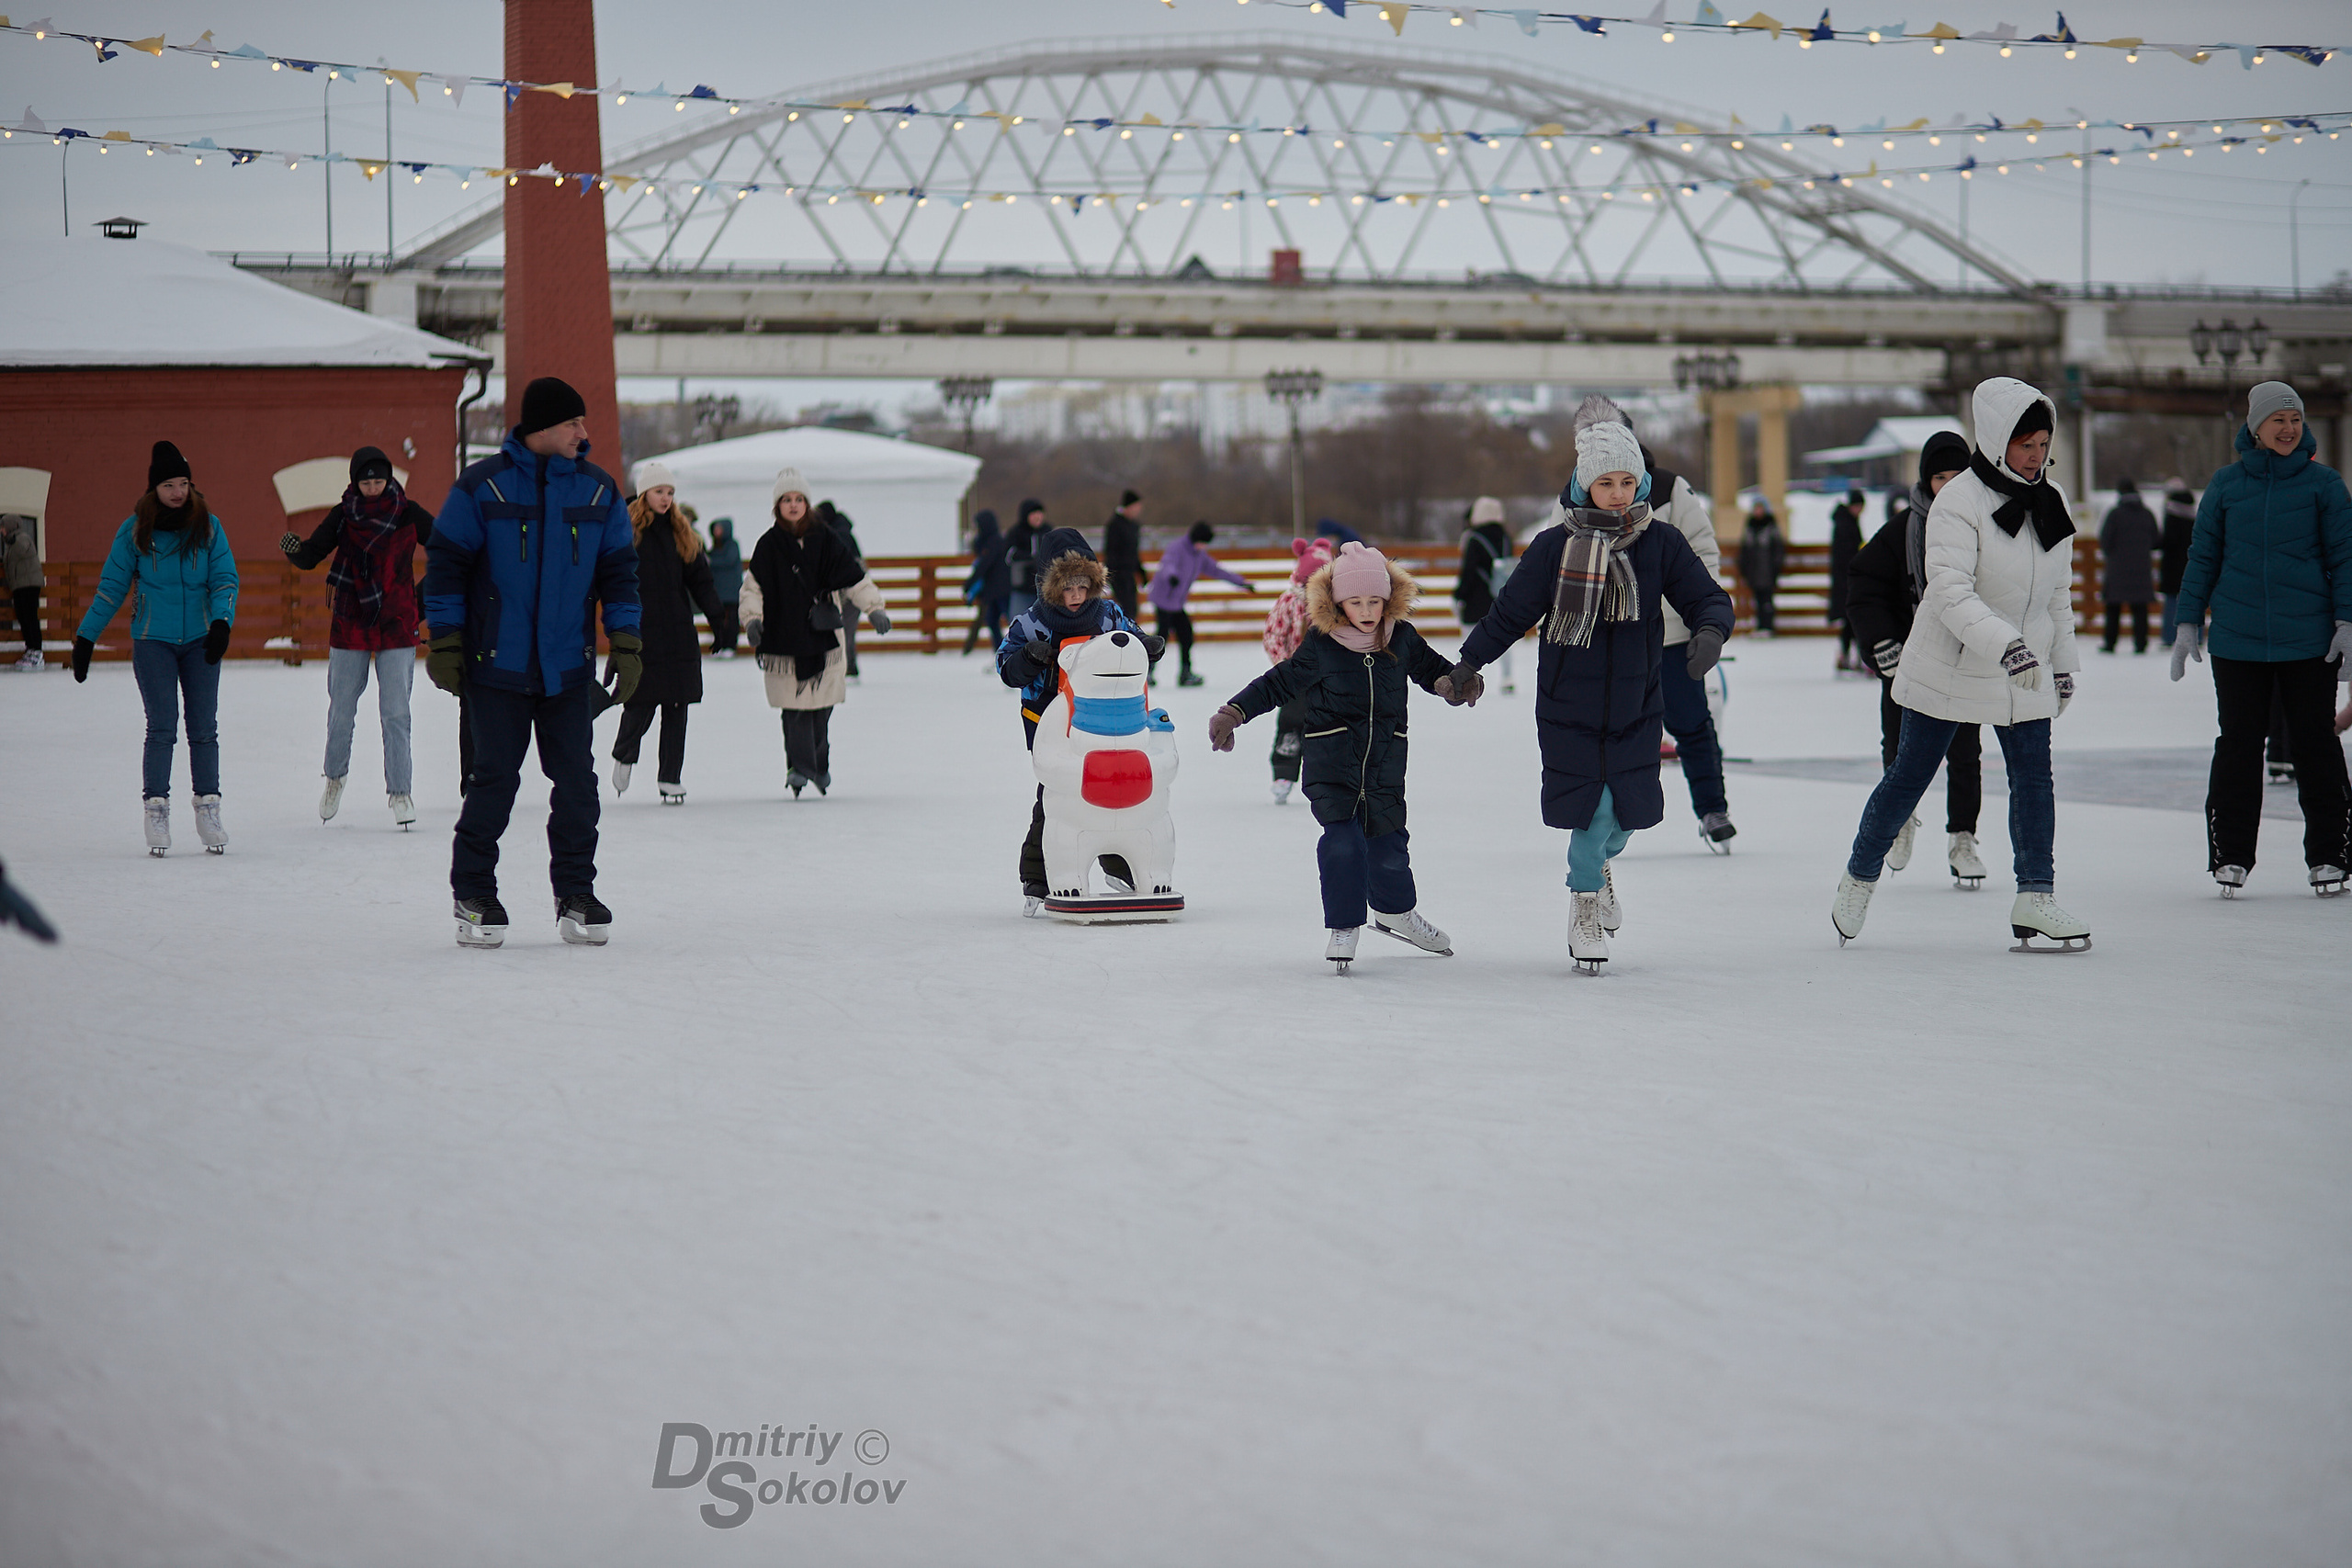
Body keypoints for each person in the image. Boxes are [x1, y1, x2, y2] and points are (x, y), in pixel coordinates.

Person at [1447, 419, 1736, 972]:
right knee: (1592, 811)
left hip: (1636, 703)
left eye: (1629, 483)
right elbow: (1511, 611)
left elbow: (1705, 595)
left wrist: (1709, 632)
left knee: (1625, 818)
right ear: (1584, 485)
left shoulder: (1661, 543)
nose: (1619, 494)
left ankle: (1599, 867)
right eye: (1607, 483)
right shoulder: (1555, 546)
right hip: (1567, 703)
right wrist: (1470, 661)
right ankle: (1583, 904)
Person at [1831, 377, 2089, 952]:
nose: (2036, 456)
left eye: (2044, 444)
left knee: (2033, 777)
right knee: (1910, 777)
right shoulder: (1958, 501)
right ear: (1999, 441)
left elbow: (2056, 595)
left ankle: (2036, 895)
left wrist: (2063, 663)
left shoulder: (2053, 499)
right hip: (1950, 664)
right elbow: (1949, 591)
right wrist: (2007, 645)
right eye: (2026, 444)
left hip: (2022, 665)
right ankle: (1860, 873)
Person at [423, 377, 641, 949]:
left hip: (567, 668)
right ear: (543, 427)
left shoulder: (598, 493)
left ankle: (576, 894)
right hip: (497, 667)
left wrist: (627, 642)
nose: (584, 434)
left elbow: (619, 572)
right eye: (574, 424)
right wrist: (444, 641)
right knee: (493, 781)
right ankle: (473, 893)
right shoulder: (483, 487)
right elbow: (444, 564)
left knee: (576, 785)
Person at [1210, 542, 1467, 968]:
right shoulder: (1322, 644)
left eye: (1374, 601)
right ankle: (1345, 925)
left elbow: (1431, 668)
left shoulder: (1399, 637)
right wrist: (1234, 711)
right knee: (1343, 844)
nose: (1366, 610)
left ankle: (1396, 912)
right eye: (1355, 601)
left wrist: (1453, 684)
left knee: (1389, 844)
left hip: (1384, 764)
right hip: (1332, 765)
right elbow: (1278, 682)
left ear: (1388, 599)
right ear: (1337, 602)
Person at [2169, 379, 2352, 897]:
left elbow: (2345, 559)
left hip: (2307, 639)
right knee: (2239, 747)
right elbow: (2202, 557)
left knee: (2316, 745)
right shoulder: (2227, 486)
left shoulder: (2325, 486)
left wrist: (2347, 623)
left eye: (2295, 420)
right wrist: (2187, 621)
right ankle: (2230, 855)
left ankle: (2331, 855)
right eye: (2278, 420)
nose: (2289, 429)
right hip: (2239, 640)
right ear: (2256, 426)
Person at [1576, 398, 1738, 849]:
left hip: (1670, 636)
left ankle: (1711, 808)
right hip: (1607, 640)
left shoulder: (1669, 488)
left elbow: (1702, 552)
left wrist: (1699, 616)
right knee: (1610, 733)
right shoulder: (1576, 494)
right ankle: (1607, 818)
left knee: (1691, 723)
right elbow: (1553, 566)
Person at [70, 440, 240, 855]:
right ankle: (157, 809)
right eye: (169, 485)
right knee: (162, 726)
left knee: (204, 729)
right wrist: (86, 637)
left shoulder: (209, 526)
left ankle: (208, 807)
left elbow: (224, 579)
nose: (178, 492)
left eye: (183, 483)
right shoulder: (135, 531)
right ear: (154, 489)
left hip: (201, 640)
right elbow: (111, 588)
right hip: (153, 642)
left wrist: (221, 622)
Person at [1842, 429, 1988, 888]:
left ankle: (1963, 838)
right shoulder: (1902, 530)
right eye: (1939, 476)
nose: (1948, 484)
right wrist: (1881, 641)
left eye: (1957, 474)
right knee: (1901, 749)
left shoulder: (1989, 525)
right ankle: (1899, 821)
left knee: (1966, 753)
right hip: (1908, 661)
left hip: (1966, 660)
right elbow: (1864, 588)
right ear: (1926, 481)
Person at [997, 530, 1155, 911]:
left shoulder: (1109, 615)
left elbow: (1132, 644)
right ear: (1050, 586)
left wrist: (1150, 648)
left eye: (1083, 586)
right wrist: (1028, 659)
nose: (1076, 596)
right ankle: (1038, 877)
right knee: (1058, 795)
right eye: (1067, 588)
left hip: (1105, 720)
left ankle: (1119, 863)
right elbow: (1005, 668)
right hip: (1050, 723)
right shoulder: (1031, 623)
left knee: (1112, 787)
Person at [280, 446, 435, 829]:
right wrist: (296, 551)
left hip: (397, 622)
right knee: (341, 710)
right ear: (354, 482)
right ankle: (334, 778)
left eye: (378, 480)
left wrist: (421, 600)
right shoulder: (343, 516)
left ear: (388, 480)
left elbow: (450, 550)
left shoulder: (408, 513)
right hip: (351, 620)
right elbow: (313, 553)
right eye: (365, 481)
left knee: (396, 713)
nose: (371, 487)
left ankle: (400, 792)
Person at [741, 468, 890, 798]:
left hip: (822, 634)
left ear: (807, 504)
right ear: (777, 506)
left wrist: (874, 607)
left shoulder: (826, 539)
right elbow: (753, 587)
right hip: (782, 637)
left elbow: (854, 578)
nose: (793, 505)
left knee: (821, 708)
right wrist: (752, 619)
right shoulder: (768, 545)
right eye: (786, 500)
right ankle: (799, 768)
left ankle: (818, 766)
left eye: (799, 499)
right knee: (793, 709)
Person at [606, 462, 724, 805]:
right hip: (641, 632)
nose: (666, 498)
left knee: (677, 705)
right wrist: (618, 636)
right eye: (660, 491)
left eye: (670, 493)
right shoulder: (625, 532)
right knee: (640, 703)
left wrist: (718, 618)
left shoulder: (681, 533)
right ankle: (624, 755)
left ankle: (670, 777)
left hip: (677, 631)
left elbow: (701, 580)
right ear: (645, 493)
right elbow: (613, 585)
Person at [1260, 536, 1335, 803]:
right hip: (1297, 676)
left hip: (1330, 677)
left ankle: (1332, 777)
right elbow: (1272, 635)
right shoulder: (1290, 602)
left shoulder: (1338, 601)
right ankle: (1284, 772)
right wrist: (1285, 668)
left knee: (1332, 725)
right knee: (1291, 723)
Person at [1147, 520, 1258, 686]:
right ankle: (1147, 673)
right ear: (1195, 539)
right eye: (1202, 543)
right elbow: (1168, 565)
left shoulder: (1199, 555)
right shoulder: (1177, 548)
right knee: (1161, 636)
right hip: (1163, 599)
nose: (1203, 546)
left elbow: (1217, 570)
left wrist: (1241, 582)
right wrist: (1172, 576)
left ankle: (1185, 673)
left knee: (1186, 635)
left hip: (1176, 602)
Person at [1453, 496, 1517, 695]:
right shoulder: (1506, 538)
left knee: (1471, 637)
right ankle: (1507, 677)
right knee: (1502, 636)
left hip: (1476, 599)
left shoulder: (1473, 538)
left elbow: (1469, 571)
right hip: (1500, 596)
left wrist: (1459, 595)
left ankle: (1467, 677)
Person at [2098, 477, 2162, 654]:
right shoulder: (2147, 513)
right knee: (2140, 608)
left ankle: (2110, 643)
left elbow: (2105, 541)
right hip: (2142, 569)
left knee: (2113, 607)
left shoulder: (2115, 514)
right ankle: (2141, 644)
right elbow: (2156, 541)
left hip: (2117, 570)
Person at [819, 501, 865, 680]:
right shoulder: (839, 531)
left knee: (843, 628)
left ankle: (847, 666)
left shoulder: (838, 534)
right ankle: (848, 666)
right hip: (851, 587)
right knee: (846, 628)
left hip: (849, 588)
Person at [962, 508, 1012, 656]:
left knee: (1010, 620)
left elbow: (984, 564)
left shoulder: (995, 541)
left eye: (978, 525)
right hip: (991, 591)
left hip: (1002, 589)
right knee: (992, 621)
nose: (976, 528)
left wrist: (969, 584)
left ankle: (1013, 650)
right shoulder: (984, 541)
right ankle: (1000, 652)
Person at [1828, 488, 1866, 670]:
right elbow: (1846, 553)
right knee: (1851, 619)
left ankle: (1847, 656)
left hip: (1846, 578)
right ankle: (1852, 657)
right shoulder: (1846, 523)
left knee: (1850, 620)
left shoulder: (1848, 521)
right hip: (1847, 579)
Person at [2157, 477, 2197, 649]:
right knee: (2193, 602)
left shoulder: (2171, 514)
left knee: (2172, 601)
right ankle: (2196, 638)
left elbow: (2168, 541)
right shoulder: (2194, 512)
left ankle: (2169, 636)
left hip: (2172, 564)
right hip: (2192, 562)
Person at [2, 512, 42, 671]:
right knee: (23, 618)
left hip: (29, 585)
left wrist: (13, 540)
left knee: (30, 617)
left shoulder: (22, 538)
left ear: (11, 526)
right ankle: (30, 650)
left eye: (3, 527)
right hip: (19, 586)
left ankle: (37, 653)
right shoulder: (10, 543)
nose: (1, 530)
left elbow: (26, 550)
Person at [1738, 499, 1784, 636]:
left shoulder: (1771, 525)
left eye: (1761, 508)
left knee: (1767, 600)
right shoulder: (1750, 526)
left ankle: (1768, 626)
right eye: (1756, 509)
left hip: (1768, 570)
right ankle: (1760, 626)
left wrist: (1776, 567)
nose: (1758, 511)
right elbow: (1744, 549)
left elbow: (1778, 549)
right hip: (1753, 571)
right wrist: (1744, 568)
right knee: (1757, 600)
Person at [1002, 500, 1049, 621]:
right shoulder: (1016, 532)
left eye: (1040, 514)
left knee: (1046, 621)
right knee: (1018, 620)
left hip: (1045, 589)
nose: (1038, 517)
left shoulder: (1048, 531)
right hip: (1022, 588)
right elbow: (1008, 555)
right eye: (1034, 514)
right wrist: (1029, 559)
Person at [1102, 489, 1145, 620]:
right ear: (1130, 506)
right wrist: (1112, 575)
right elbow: (1110, 552)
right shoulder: (1115, 525)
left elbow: (1134, 552)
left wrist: (1141, 572)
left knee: (1132, 610)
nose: (1138, 510)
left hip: (1130, 574)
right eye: (1137, 507)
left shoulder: (1134, 526)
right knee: (1125, 610)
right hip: (1119, 574)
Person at [705, 516, 743, 658]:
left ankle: (730, 646)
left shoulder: (732, 545)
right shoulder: (715, 547)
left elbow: (728, 560)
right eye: (715, 529)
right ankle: (720, 645)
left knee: (732, 618)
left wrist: (711, 561)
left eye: (719, 529)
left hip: (731, 591)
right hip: (719, 592)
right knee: (719, 619)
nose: (717, 532)